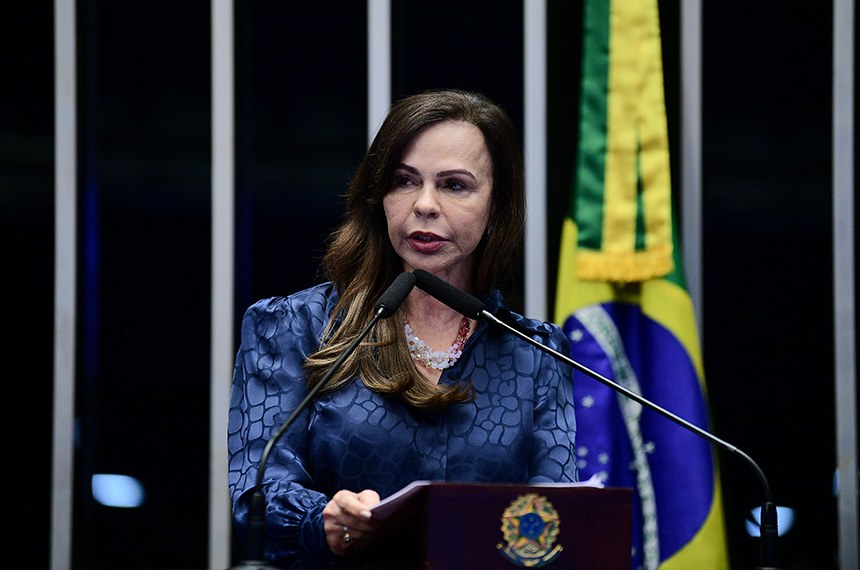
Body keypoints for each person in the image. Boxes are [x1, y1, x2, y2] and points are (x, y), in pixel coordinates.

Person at [227, 88, 578, 568]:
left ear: (497, 206)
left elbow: (554, 519)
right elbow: (257, 493)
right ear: (379, 197)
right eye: (404, 181)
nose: (425, 205)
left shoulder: (535, 353)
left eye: (454, 185)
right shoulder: (291, 327)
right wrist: (323, 519)